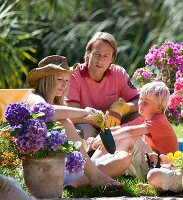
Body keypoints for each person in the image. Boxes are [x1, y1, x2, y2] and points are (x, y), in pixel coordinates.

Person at [25, 55, 123, 189]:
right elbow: (44, 111)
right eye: (59, 79)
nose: (64, 84)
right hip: (44, 169)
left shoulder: (59, 103)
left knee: (123, 158)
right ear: (46, 79)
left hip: (70, 167)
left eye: (67, 80)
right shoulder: (34, 97)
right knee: (64, 123)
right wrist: (85, 112)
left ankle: (76, 183)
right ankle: (95, 177)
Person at [67, 82, 179, 186]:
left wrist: (107, 137)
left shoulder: (159, 120)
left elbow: (129, 131)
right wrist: (102, 136)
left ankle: (94, 172)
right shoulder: (145, 118)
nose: (140, 104)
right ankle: (89, 168)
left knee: (128, 137)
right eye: (140, 99)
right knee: (119, 136)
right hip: (150, 163)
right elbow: (122, 127)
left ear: (159, 107)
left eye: (146, 102)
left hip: (161, 168)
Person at [66, 32, 139, 139]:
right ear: (88, 53)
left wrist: (122, 108)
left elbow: (140, 101)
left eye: (106, 56)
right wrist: (101, 120)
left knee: (139, 117)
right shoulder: (74, 75)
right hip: (87, 125)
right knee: (82, 129)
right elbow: (71, 114)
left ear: (112, 59)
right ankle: (83, 156)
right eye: (97, 54)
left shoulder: (118, 72)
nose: (100, 60)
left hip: (114, 124)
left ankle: (141, 154)